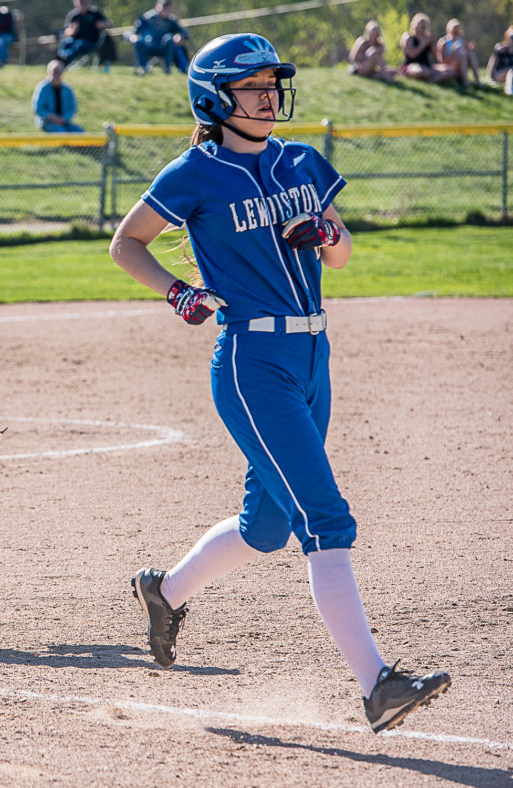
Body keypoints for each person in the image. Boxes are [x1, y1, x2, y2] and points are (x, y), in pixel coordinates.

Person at [108, 32, 452, 734]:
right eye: (253, 86)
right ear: (214, 99)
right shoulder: (195, 172)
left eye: (273, 84)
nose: (269, 96)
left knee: (264, 529)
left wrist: (325, 233)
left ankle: (164, 592)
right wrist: (179, 292)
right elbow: (126, 242)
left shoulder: (300, 160)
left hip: (313, 356)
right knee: (324, 519)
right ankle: (377, 686)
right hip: (253, 363)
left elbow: (344, 254)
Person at [130, 0, 188, 75]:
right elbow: (133, 31)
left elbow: (184, 33)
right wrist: (132, 36)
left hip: (164, 47)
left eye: (168, 9)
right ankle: (143, 68)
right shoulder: (148, 17)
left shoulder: (171, 20)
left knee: (170, 38)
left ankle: (167, 68)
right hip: (150, 45)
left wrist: (180, 36)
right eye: (164, 8)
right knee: (139, 41)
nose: (166, 11)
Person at [400, 13, 456, 83]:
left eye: (425, 26)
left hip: (426, 65)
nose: (423, 28)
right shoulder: (409, 38)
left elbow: (436, 57)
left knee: (450, 71)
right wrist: (423, 44)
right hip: (411, 65)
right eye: (421, 26)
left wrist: (433, 44)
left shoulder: (427, 38)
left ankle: (431, 79)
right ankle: (431, 77)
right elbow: (412, 55)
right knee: (421, 71)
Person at [31, 60, 83, 133]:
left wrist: (64, 118)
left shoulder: (67, 89)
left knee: (79, 132)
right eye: (54, 72)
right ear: (48, 72)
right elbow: (38, 108)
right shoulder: (42, 88)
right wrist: (53, 117)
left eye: (59, 72)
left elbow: (73, 108)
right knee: (61, 132)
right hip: (47, 122)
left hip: (64, 121)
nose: (56, 75)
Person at [58, 0, 112, 67]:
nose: (83, 4)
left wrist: (102, 25)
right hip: (74, 40)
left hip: (91, 42)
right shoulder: (73, 15)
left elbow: (108, 23)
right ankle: (60, 59)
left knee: (80, 44)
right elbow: (65, 32)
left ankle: (63, 61)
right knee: (66, 42)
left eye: (85, 2)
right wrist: (72, 30)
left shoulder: (95, 13)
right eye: (81, 2)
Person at [435, 18, 481, 87]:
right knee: (462, 54)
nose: (456, 33)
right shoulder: (443, 42)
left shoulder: (461, 40)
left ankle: (478, 81)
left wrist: (470, 48)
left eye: (457, 31)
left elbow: (468, 51)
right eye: (454, 31)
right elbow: (441, 61)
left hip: (461, 65)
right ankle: (465, 80)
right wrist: (453, 53)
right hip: (449, 66)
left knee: (471, 54)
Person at [486, 26, 513, 94]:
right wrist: (490, 79)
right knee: (510, 71)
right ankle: (508, 90)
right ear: (507, 37)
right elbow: (491, 65)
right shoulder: (500, 49)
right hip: (498, 74)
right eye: (512, 37)